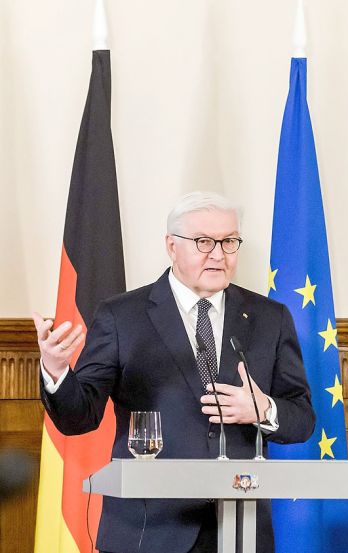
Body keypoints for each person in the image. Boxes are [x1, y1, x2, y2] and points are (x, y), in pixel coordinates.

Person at [33, 192, 315, 553]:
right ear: (172, 246)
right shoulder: (122, 316)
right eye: (203, 242)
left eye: (229, 241)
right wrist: (56, 371)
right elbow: (79, 418)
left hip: (239, 532)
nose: (218, 254)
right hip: (148, 531)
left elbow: (302, 419)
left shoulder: (269, 318)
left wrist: (264, 410)